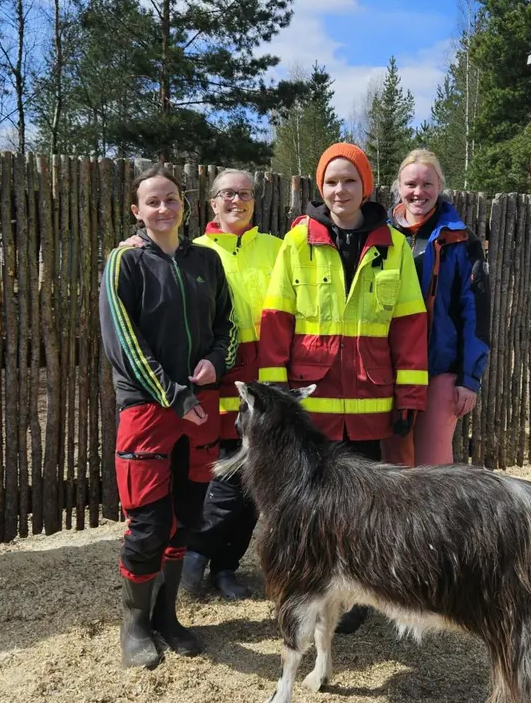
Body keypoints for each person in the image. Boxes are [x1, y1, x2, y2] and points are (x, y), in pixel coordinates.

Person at [258, 142, 428, 633]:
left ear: (366, 186)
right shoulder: (296, 243)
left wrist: (410, 396)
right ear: (320, 188)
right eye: (331, 182)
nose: (340, 190)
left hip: (372, 404)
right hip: (311, 406)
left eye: (349, 180)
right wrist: (273, 400)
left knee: (364, 507)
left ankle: (356, 596)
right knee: (311, 503)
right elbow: (276, 323)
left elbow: (410, 327)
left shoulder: (392, 245)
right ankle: (313, 587)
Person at [120, 169, 282, 601]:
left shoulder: (279, 249)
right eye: (227, 194)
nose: (237, 201)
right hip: (212, 382)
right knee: (222, 475)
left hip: (262, 377)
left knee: (255, 479)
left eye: (245, 194)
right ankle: (195, 555)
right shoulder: (197, 250)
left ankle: (227, 566)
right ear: (211, 203)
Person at [99, 165, 236, 669]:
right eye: (152, 202)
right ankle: (133, 623)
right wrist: (174, 394)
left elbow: (229, 324)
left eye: (171, 200)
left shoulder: (207, 261)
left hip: (198, 410)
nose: (163, 209)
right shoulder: (125, 262)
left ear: (185, 205)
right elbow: (125, 345)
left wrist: (217, 361)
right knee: (148, 524)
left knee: (187, 516)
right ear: (137, 211)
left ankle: (167, 616)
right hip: (149, 409)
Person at [380, 149, 490, 467]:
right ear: (398, 186)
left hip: (439, 370)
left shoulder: (461, 240)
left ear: (440, 185)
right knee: (394, 466)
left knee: (435, 468)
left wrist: (469, 378)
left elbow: (476, 313)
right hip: (390, 370)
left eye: (427, 184)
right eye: (410, 183)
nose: (418, 192)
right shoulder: (380, 236)